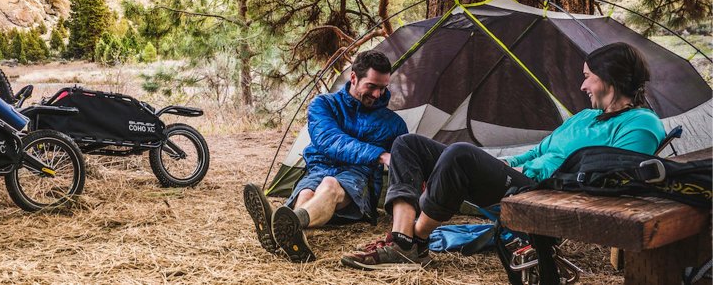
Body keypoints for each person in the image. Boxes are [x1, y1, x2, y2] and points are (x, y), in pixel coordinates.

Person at [340, 42, 666, 270]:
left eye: (587, 76)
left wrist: (540, 173)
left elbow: (615, 177)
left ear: (609, 77)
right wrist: (508, 164)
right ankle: (402, 236)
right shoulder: (586, 117)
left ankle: (412, 244)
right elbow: (540, 150)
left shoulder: (641, 123)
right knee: (407, 144)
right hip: (525, 180)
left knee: (460, 155)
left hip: (549, 193)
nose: (583, 87)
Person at [243, 50, 408, 263]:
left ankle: (284, 222)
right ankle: (292, 235)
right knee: (306, 192)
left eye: (383, 88)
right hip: (320, 167)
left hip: (359, 180)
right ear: (354, 78)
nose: (377, 94)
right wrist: (381, 155)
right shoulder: (323, 104)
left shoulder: (393, 123)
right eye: (372, 86)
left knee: (330, 184)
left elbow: (408, 161)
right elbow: (328, 140)